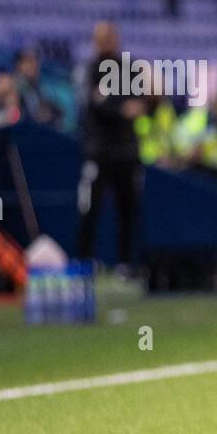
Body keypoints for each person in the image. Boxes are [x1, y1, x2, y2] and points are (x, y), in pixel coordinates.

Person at [77, 21, 144, 272]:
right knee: (90, 207)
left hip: (126, 150)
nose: (106, 41)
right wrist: (120, 109)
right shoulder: (91, 69)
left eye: (109, 36)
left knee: (128, 207)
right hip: (99, 149)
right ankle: (84, 259)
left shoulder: (128, 68)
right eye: (101, 37)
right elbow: (97, 105)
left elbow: (138, 103)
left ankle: (125, 262)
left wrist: (116, 106)